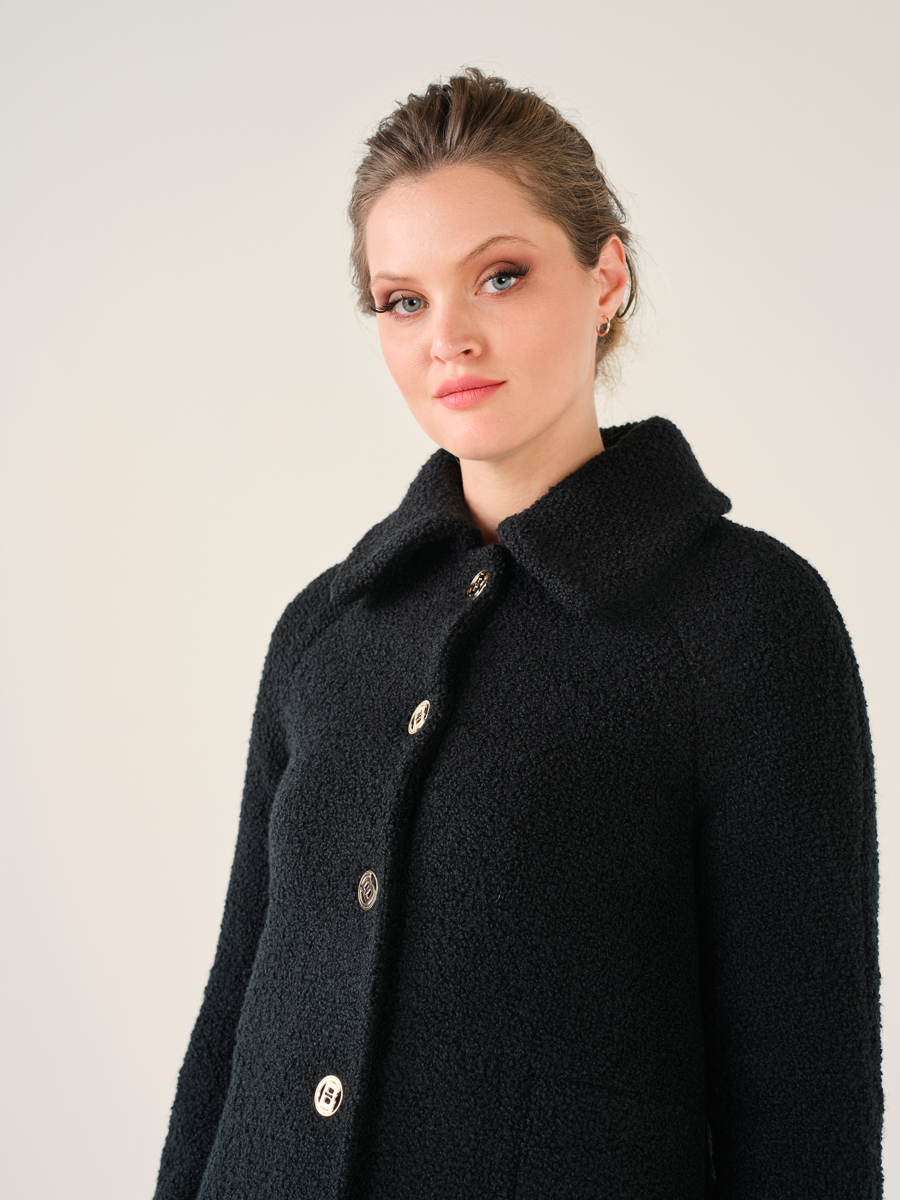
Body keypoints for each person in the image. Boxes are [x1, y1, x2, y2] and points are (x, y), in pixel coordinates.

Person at [152, 68, 883, 1199]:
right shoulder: (327, 627)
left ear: (606, 278)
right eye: (403, 301)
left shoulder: (749, 622)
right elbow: (234, 1013)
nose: (448, 338)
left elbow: (806, 1092)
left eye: (500, 276)